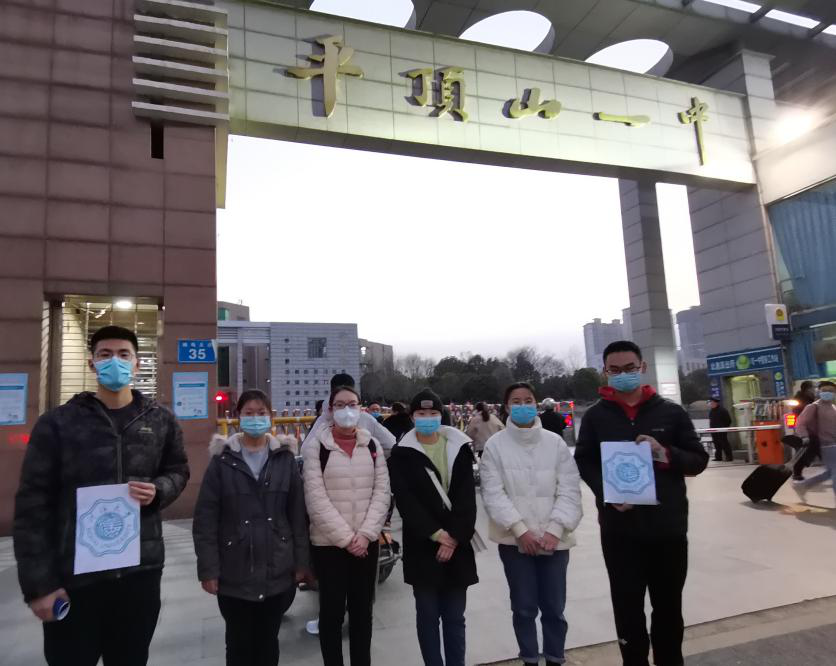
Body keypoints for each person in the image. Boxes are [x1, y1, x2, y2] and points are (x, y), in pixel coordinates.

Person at [13, 325, 189, 666]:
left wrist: (159, 490)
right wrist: (39, 585)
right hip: (75, 579)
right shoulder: (58, 423)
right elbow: (32, 506)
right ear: (92, 363)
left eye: (124, 355)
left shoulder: (160, 420)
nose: (115, 362)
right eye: (105, 355)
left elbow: (178, 471)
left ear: (137, 364)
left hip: (139, 574)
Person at [574, 340, 708, 666]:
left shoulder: (671, 413)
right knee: (627, 610)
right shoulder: (595, 417)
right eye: (615, 370)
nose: (623, 375)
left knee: (668, 609)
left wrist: (664, 453)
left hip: (668, 530)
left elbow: (698, 460)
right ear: (605, 373)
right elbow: (585, 460)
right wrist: (607, 493)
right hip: (620, 532)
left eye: (629, 369)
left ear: (642, 367)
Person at [193, 389, 310, 666]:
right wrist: (209, 569)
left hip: (276, 567)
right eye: (249, 413)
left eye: (261, 413)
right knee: (238, 644)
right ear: (238, 417)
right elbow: (206, 518)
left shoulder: (283, 459)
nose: (255, 418)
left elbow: (297, 515)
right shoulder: (222, 461)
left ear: (270, 418)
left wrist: (302, 563)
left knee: (268, 642)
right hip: (234, 570)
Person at [480, 383, 582, 666]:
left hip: (554, 541)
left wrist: (555, 530)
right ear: (506, 407)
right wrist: (520, 530)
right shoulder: (495, 445)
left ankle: (555, 657)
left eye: (528, 400)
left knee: (554, 608)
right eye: (516, 401)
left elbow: (570, 489)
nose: (523, 405)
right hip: (515, 543)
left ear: (536, 404)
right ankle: (529, 658)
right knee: (523, 608)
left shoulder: (555, 443)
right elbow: (493, 493)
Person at [389, 389, 478, 666]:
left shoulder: (459, 448)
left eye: (433, 413)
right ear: (412, 416)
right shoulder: (402, 454)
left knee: (455, 617)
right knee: (427, 617)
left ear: (441, 415)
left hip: (457, 545)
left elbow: (466, 497)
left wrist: (453, 537)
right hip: (422, 544)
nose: (427, 418)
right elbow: (406, 500)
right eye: (421, 413)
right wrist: (437, 535)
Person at [303, 385, 390, 666]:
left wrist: (365, 535)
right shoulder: (316, 447)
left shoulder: (372, 445)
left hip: (366, 544)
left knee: (363, 613)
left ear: (361, 408)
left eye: (352, 404)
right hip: (329, 545)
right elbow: (315, 499)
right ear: (330, 410)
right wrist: (347, 539)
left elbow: (382, 492)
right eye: (340, 405)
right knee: (331, 614)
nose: (347, 410)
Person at [301, 373, 396, 455]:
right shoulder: (365, 418)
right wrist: (372, 458)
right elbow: (391, 444)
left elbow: (306, 451)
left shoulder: (323, 420)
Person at [793, 380, 836, 502]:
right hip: (823, 445)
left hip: (833, 444)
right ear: (819, 391)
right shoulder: (813, 407)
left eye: (831, 391)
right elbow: (800, 423)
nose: (827, 393)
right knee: (834, 472)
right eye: (824, 390)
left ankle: (802, 486)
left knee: (830, 472)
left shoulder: (833, 408)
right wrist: (804, 436)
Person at [791, 381, 818, 480]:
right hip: (805, 430)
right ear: (807, 389)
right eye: (813, 387)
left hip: (813, 429)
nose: (814, 389)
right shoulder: (800, 399)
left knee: (811, 450)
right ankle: (796, 472)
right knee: (805, 451)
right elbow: (800, 416)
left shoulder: (811, 398)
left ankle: (797, 472)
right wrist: (804, 434)